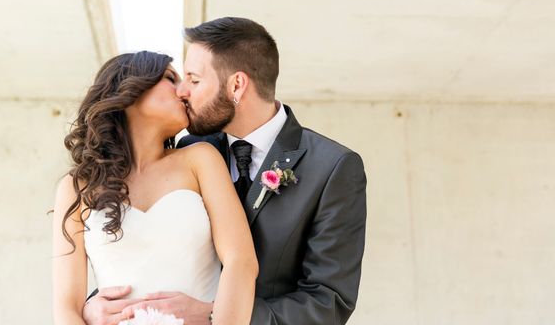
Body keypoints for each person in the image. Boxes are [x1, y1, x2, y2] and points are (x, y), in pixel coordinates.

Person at [83, 17, 368, 325]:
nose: (183, 91)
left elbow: (328, 302)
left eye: (193, 80)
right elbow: (157, 248)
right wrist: (93, 306)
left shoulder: (332, 167)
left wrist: (214, 314)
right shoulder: (190, 149)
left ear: (236, 85)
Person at [52, 51, 258, 325]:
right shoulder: (76, 187)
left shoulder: (201, 160)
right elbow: (66, 308)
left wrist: (215, 316)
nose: (184, 91)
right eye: (171, 78)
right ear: (129, 90)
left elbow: (241, 262)